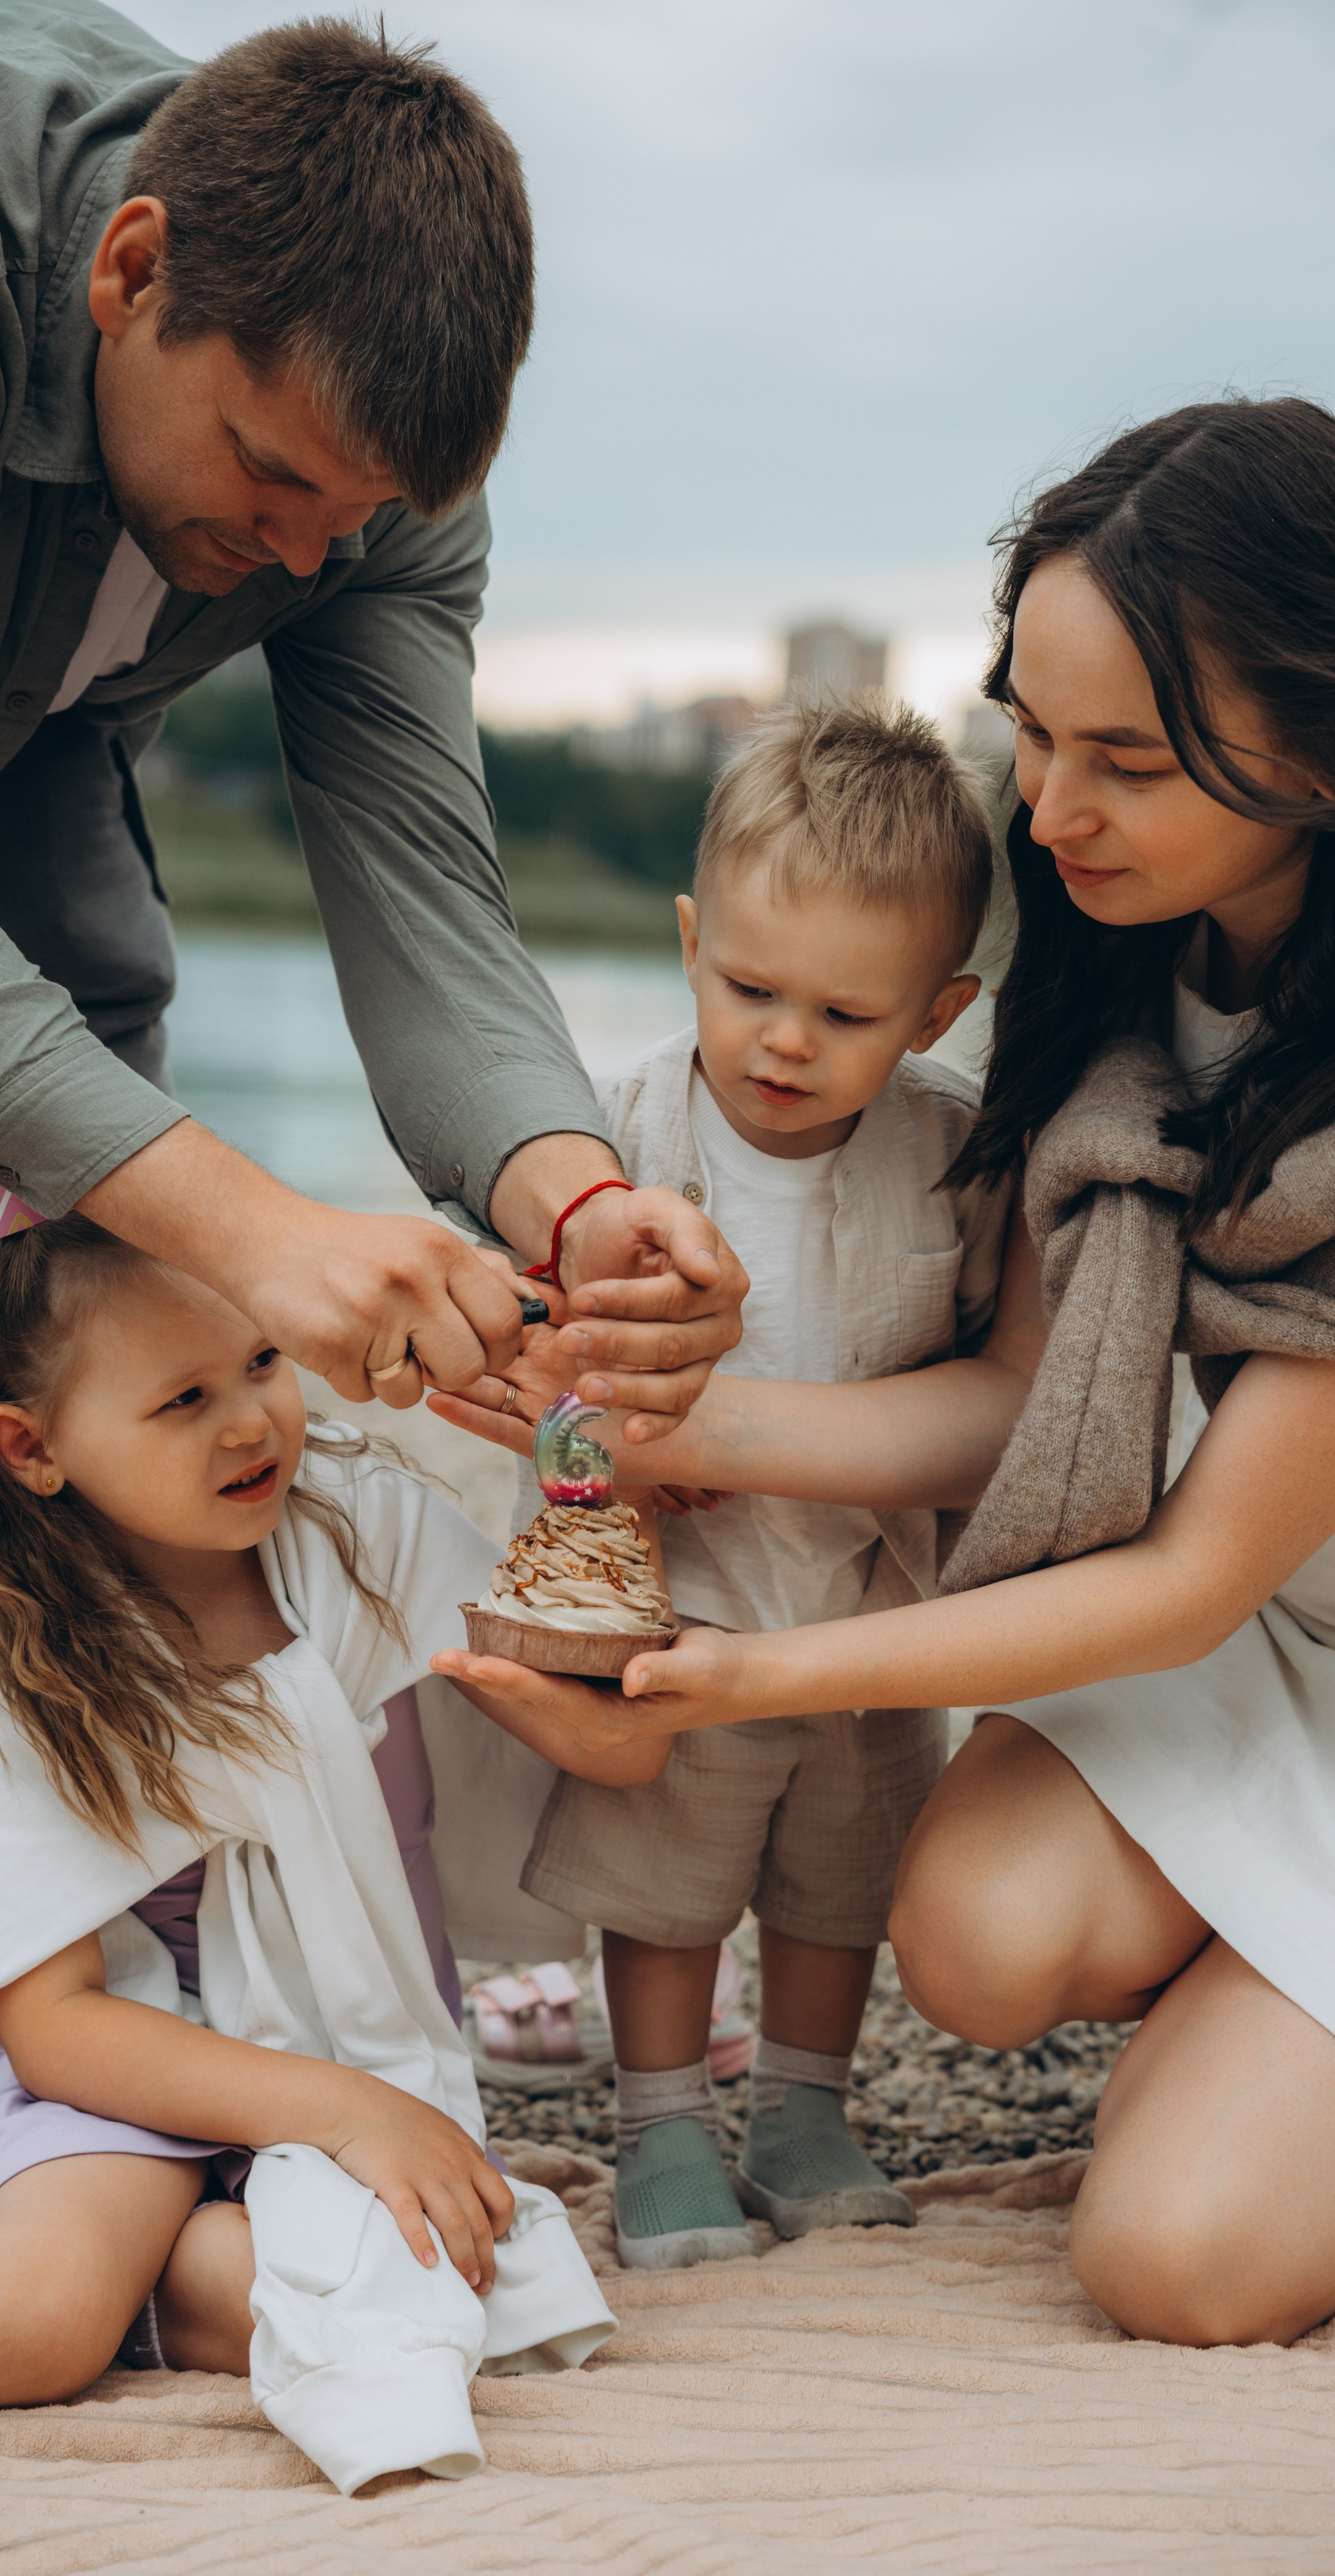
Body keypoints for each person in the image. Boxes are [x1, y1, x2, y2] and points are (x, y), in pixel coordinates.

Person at [432, 397, 1335, 2347]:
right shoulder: (1116, 952)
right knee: (978, 1941)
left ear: (1327, 747)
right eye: (1032, 728)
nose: (1052, 808)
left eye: (1129, 760)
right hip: (1273, 1639)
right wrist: (661, 1410)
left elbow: (1183, 1580)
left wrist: (755, 1673)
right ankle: (1307, 2003)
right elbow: (1024, 1394)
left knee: (1170, 2270)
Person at [0, 0, 741, 1433]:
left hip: (19, 717)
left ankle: (31, 1632)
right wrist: (258, 1229)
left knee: (88, 1277)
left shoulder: (363, 483)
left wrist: (570, 1195)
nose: (301, 560)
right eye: (268, 477)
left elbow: (425, 906)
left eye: (360, 514)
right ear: (132, 272)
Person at [0, 1204, 668, 2488]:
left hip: (341, 2056)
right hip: (109, 2089)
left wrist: (606, 1520)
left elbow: (597, 1744)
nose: (250, 1423)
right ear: (33, 1446)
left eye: (264, 1362)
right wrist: (350, 2114)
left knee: (406, 2294)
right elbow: (55, 2026)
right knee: (36, 2323)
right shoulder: (4, 1664)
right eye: (182, 1401)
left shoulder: (357, 1532)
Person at [482, 693, 1007, 2268]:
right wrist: (604, 1472)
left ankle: (801, 2107)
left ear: (932, 1012)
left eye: (844, 1016)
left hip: (866, 1603)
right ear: (690, 938)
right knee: (662, 1875)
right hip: (671, 1594)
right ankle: (657, 2124)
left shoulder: (951, 1153)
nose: (784, 1041)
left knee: (840, 1871)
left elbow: (990, 1368)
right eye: (748, 986)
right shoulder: (618, 1137)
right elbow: (531, 1370)